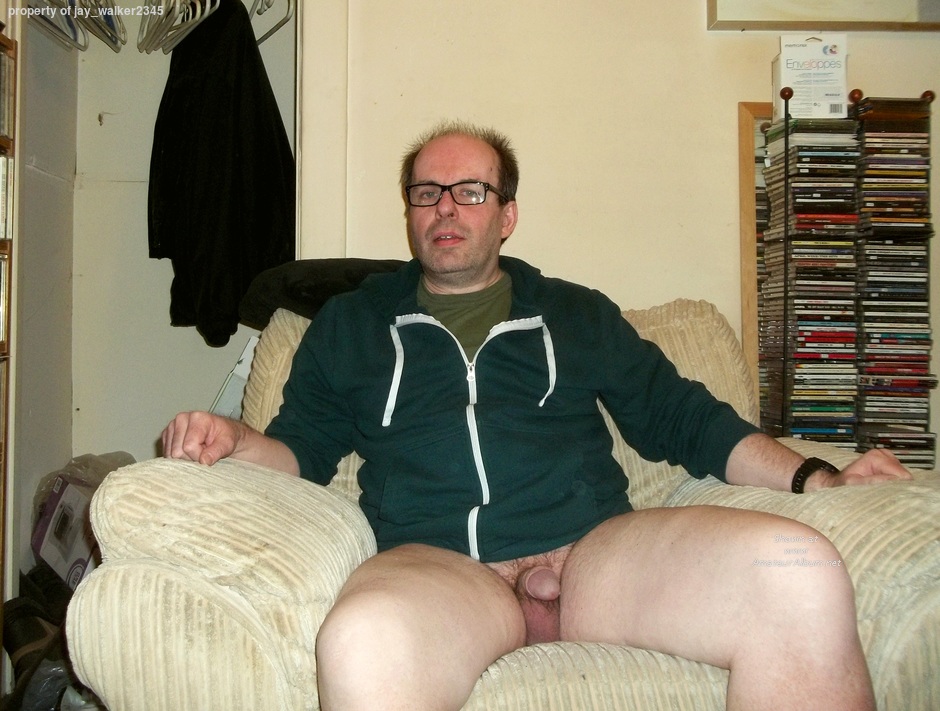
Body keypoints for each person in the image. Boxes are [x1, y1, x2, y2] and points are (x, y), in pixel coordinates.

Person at [163, 121, 912, 711]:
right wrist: (232, 440)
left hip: (594, 555)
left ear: (507, 214)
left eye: (470, 191)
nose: (445, 207)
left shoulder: (576, 313)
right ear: (410, 212)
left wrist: (818, 477)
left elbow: (685, 419)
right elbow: (299, 453)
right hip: (441, 568)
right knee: (362, 641)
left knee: (798, 571)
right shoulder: (350, 326)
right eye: (426, 192)